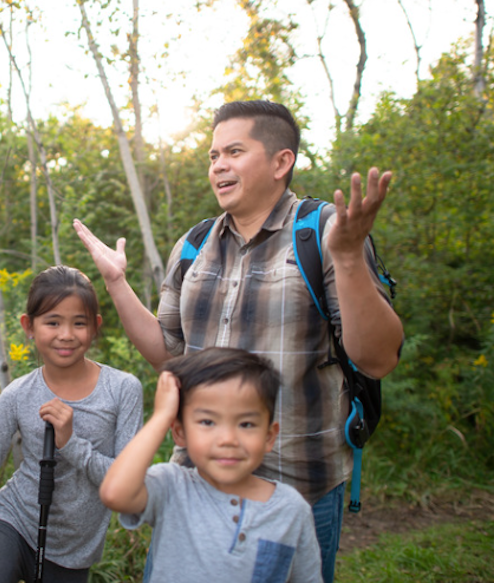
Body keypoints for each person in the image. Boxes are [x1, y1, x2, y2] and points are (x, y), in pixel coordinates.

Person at [74, 99, 403, 582]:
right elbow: (170, 354)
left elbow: (377, 359)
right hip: (197, 482)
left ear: (280, 161)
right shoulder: (194, 245)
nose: (218, 166)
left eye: (233, 151)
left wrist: (350, 258)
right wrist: (117, 284)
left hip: (300, 485)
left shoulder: (325, 231)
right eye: (212, 156)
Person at [0, 265, 144, 583]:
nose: (66, 334)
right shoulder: (17, 396)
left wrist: (71, 444)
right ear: (29, 326)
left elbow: (126, 485)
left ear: (95, 327)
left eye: (79, 323)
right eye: (52, 322)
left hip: (75, 552)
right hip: (15, 522)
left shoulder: (123, 390)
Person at [100, 347, 322, 581]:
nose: (228, 439)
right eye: (207, 421)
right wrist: (161, 416)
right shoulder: (172, 486)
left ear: (269, 436)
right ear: (180, 432)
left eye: (246, 424)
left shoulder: (291, 510)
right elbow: (114, 494)